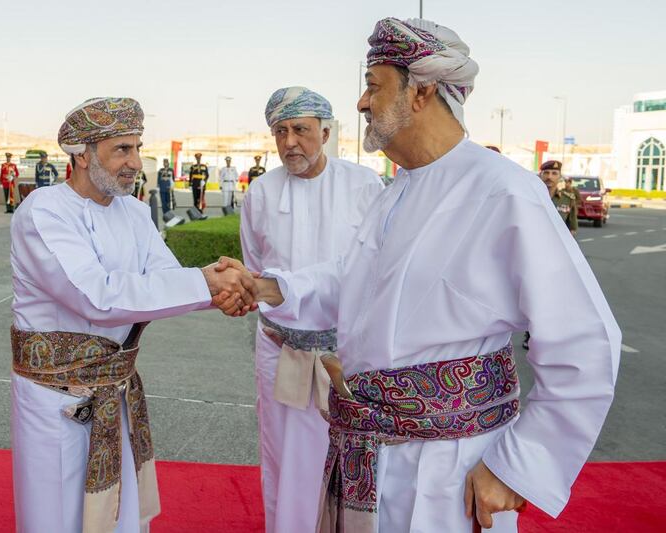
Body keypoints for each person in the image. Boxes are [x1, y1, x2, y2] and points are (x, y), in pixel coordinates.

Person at [220, 17, 620, 532]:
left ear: (421, 91)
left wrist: (517, 468)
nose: (362, 103)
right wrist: (269, 286)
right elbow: (356, 284)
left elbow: (587, 342)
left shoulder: (502, 191)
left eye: (373, 86)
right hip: (371, 459)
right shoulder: (398, 192)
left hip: (449, 471)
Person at [9, 96, 256, 533]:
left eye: (138, 148)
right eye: (122, 149)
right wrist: (208, 283)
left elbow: (167, 278)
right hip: (55, 402)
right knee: (57, 517)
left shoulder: (135, 213)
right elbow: (96, 296)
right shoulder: (43, 211)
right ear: (83, 154)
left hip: (115, 394)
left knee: (120, 517)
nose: (135, 163)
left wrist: (221, 290)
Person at [241, 86, 384, 533]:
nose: (290, 143)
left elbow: (372, 269)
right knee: (281, 458)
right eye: (280, 132)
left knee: (347, 457)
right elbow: (255, 269)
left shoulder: (364, 185)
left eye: (300, 130)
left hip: (346, 357)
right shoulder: (260, 192)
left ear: (325, 132)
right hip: (279, 351)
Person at [540, 160, 578, 237]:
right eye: (546, 173)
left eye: (554, 173)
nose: (549, 177)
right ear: (540, 175)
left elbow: (572, 228)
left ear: (560, 177)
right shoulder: (531, 197)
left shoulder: (568, 199)